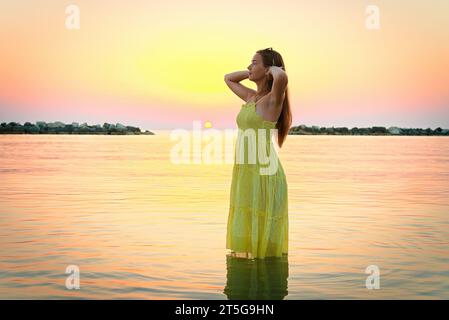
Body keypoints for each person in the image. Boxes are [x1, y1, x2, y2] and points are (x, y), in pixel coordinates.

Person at [224, 47, 292, 259]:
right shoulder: (251, 97)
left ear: (268, 68)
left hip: (265, 175)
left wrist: (271, 69)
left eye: (254, 63)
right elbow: (228, 79)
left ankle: (267, 284)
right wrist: (253, 72)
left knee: (264, 233)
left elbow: (282, 76)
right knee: (247, 228)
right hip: (246, 173)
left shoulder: (274, 99)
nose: (249, 66)